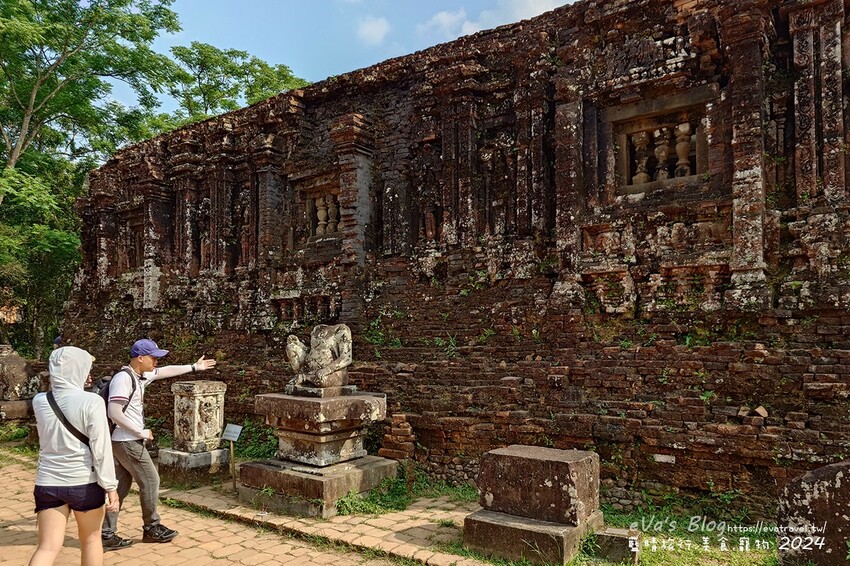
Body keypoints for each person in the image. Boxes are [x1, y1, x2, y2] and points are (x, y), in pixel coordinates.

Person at [101, 338, 216, 548]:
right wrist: (140, 431)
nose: (156, 361)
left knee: (119, 487)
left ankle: (106, 533)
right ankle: (151, 527)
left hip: (124, 440)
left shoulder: (139, 375)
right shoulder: (124, 379)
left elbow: (165, 371)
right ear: (140, 358)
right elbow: (114, 412)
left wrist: (193, 367)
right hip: (127, 440)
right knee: (151, 480)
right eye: (153, 357)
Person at [29, 346, 120, 566]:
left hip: (48, 482)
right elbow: (101, 448)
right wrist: (110, 486)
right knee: (90, 540)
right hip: (84, 482)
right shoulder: (92, 401)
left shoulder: (40, 401)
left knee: (47, 547)